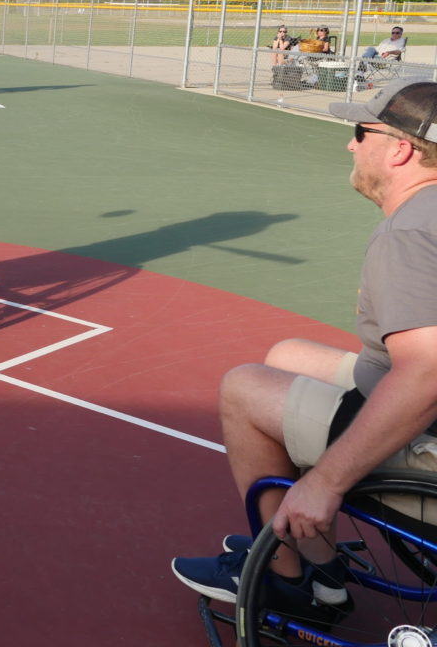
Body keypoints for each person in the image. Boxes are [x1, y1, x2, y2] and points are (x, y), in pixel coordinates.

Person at [170, 80, 437, 619]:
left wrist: (325, 482)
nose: (351, 145)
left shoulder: (410, 233)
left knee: (244, 389)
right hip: (405, 396)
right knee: (287, 354)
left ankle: (288, 578)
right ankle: (322, 563)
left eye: (361, 133)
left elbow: (427, 374)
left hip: (427, 441)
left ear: (401, 149)